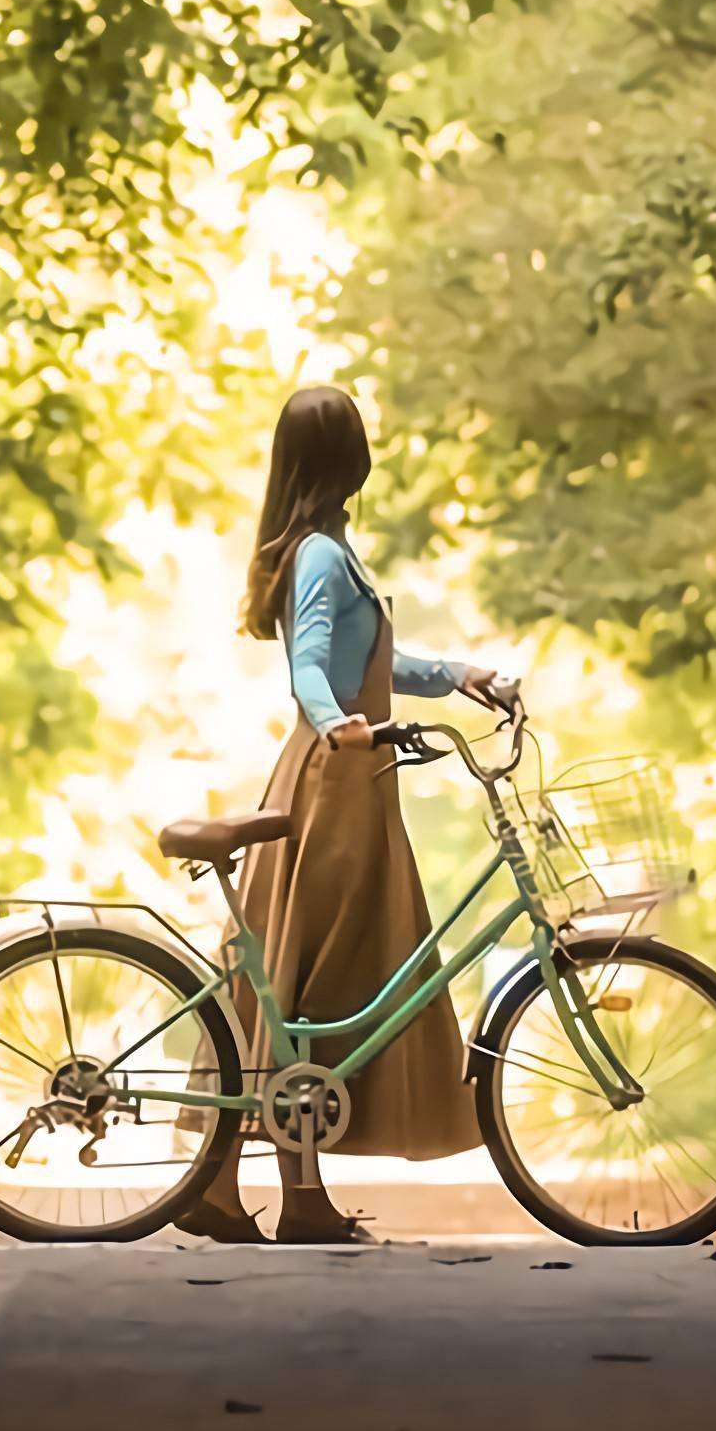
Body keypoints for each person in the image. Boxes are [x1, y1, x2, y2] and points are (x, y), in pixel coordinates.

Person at [175, 383, 512, 1245]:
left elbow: (368, 664)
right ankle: (302, 1200)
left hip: (352, 781)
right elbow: (312, 669)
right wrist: (341, 730)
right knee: (311, 991)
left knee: (297, 987)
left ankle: (225, 1189)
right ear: (349, 457)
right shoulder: (319, 556)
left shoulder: (326, 548)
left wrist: (459, 675)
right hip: (334, 789)